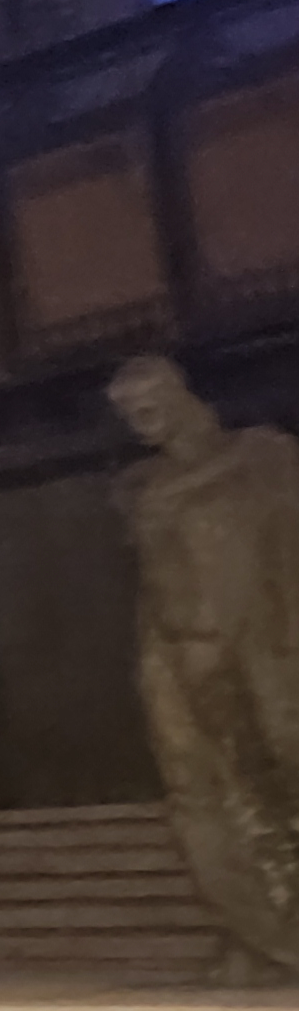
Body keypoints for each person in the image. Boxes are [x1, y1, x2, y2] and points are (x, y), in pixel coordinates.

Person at [110, 355, 299, 978]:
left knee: (280, 775)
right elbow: (152, 588)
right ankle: (258, 935)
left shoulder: (264, 460)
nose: (141, 423)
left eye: (149, 406)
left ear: (181, 393)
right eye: (128, 414)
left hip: (259, 648)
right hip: (176, 655)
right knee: (202, 798)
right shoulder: (140, 489)